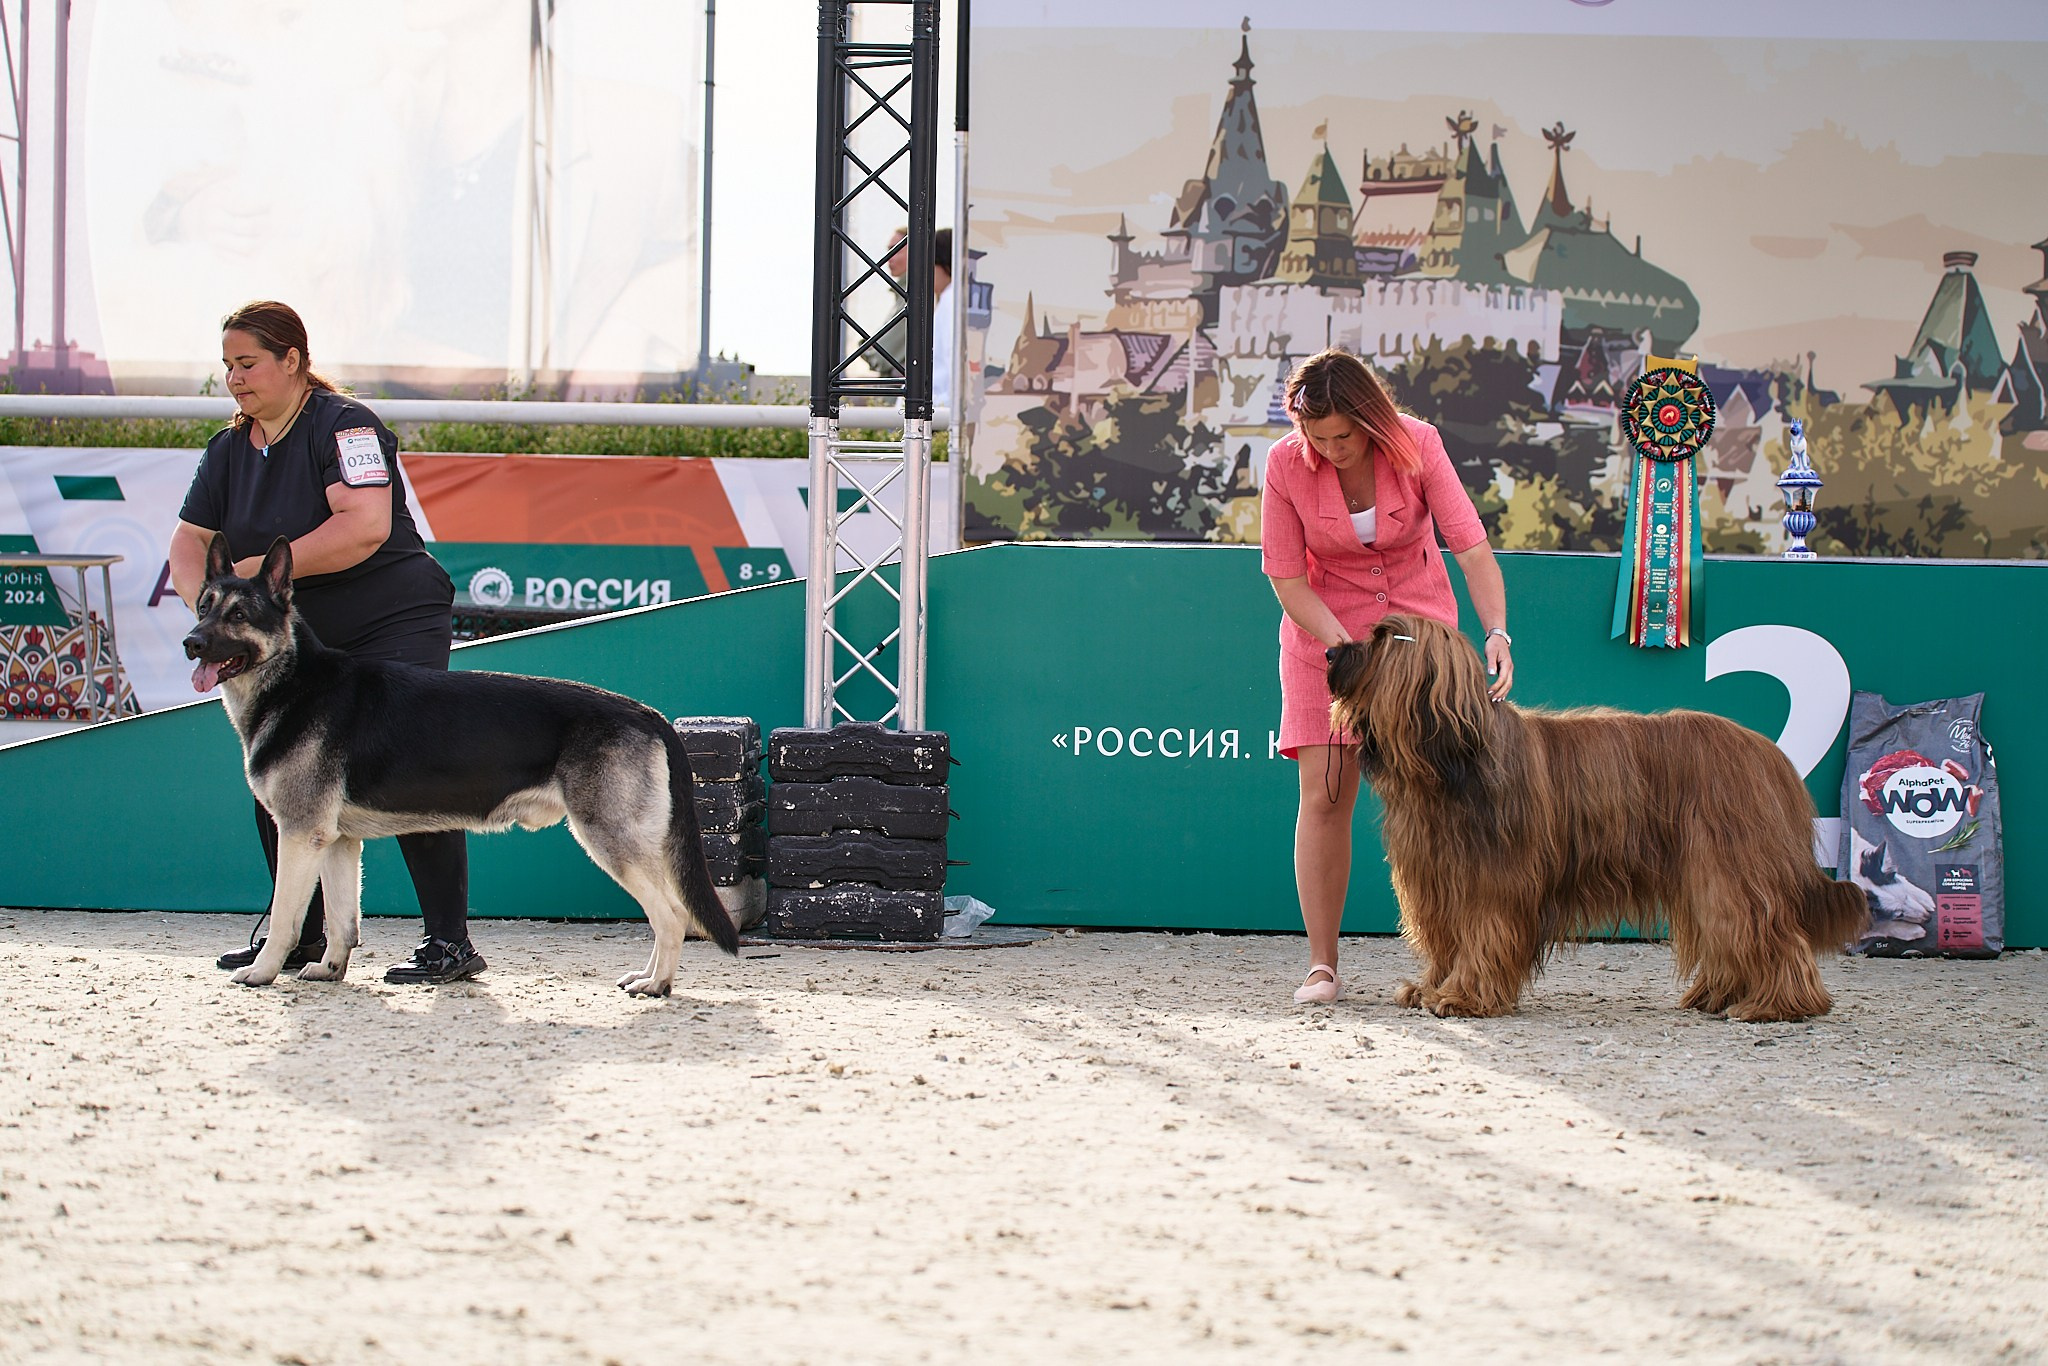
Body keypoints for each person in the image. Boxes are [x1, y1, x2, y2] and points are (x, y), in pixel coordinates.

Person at [167, 300, 486, 985]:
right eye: (226, 366)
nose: (235, 379)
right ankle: (304, 939)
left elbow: (364, 526)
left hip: (390, 613)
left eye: (248, 363)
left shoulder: (346, 425)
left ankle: (449, 943)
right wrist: (213, 611)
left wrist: (250, 577)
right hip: (297, 629)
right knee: (278, 772)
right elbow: (190, 541)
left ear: (293, 360)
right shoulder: (229, 448)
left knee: (411, 763)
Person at [1260, 348, 1514, 1004]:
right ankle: (1323, 966)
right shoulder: (1285, 463)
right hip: (1326, 639)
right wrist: (1350, 653)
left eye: (1343, 435)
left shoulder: (1419, 443)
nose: (1330, 448)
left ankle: (1457, 957)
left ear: (1370, 418)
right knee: (1324, 797)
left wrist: (1496, 632)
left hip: (1419, 645)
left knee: (1448, 802)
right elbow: (1286, 578)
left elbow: (1471, 548)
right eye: (1316, 437)